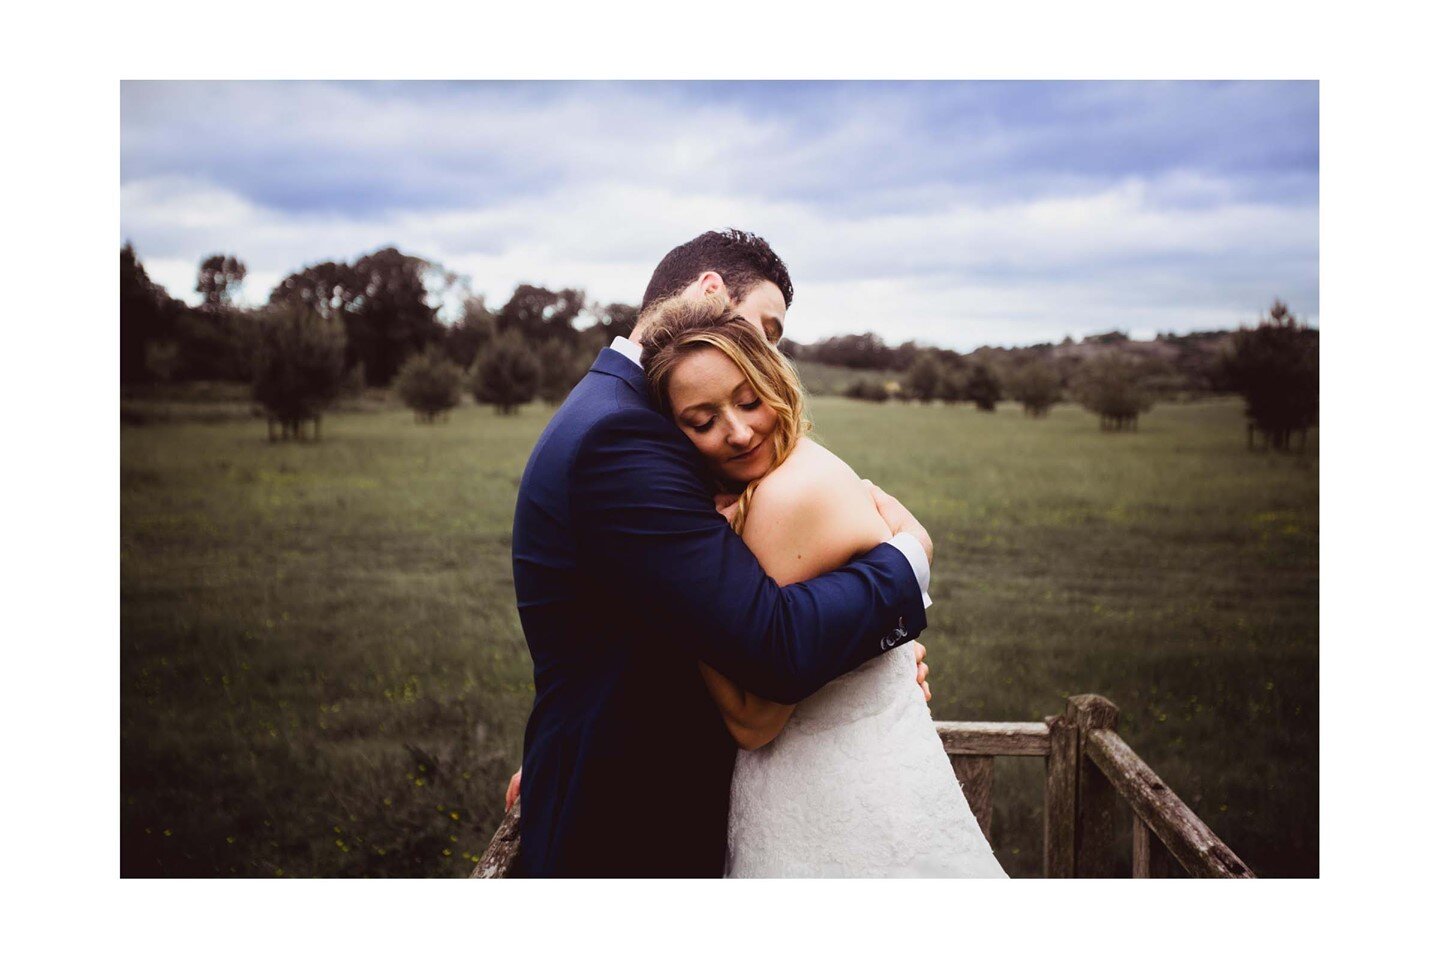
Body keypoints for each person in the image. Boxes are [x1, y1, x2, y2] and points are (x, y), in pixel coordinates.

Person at [507, 230, 932, 877]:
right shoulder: (621, 434)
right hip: (627, 829)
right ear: (708, 293)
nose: (763, 354)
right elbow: (772, 644)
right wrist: (907, 565)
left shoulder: (625, 411)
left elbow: (662, 614)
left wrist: (867, 664)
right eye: (766, 327)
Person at [638, 292, 1006, 877]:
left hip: (828, 797)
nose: (736, 433)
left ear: (774, 381)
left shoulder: (784, 497)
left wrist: (681, 586)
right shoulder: (801, 465)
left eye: (749, 401)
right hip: (875, 772)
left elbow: (754, 721)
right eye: (703, 422)